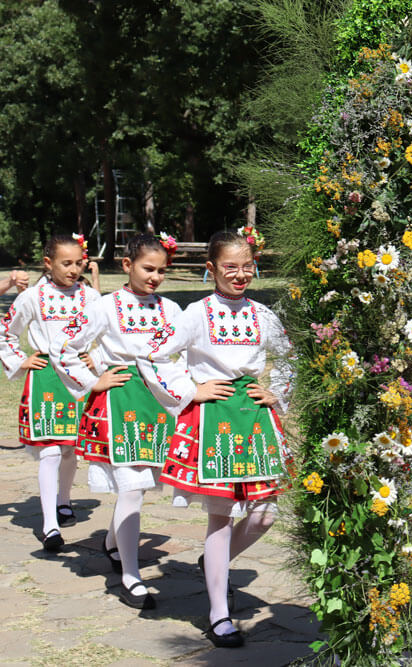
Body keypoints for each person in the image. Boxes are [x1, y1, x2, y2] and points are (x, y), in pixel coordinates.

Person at [159, 229, 293, 648]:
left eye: (247, 266)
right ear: (211, 269)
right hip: (214, 416)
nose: (240, 274)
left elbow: (290, 356)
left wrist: (277, 391)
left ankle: (213, 563)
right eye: (230, 267)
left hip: (254, 417)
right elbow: (156, 354)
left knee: (265, 514)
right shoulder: (196, 313)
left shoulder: (263, 315)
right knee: (221, 516)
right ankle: (219, 614)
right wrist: (189, 390)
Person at [54, 233, 195, 610]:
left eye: (162, 271)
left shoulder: (171, 309)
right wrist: (92, 381)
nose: (156, 277)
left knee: (142, 485)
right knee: (132, 487)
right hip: (122, 401)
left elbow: (187, 350)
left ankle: (112, 542)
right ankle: (131, 576)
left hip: (159, 401)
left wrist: (184, 388)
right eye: (149, 269)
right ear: (127, 265)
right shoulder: (105, 307)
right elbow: (64, 345)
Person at [0, 235, 101, 551]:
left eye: (78, 263)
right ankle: (50, 525)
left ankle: (64, 500)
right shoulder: (32, 296)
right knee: (50, 450)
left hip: (79, 379)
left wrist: (95, 358)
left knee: (70, 448)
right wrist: (20, 360)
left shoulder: (91, 297)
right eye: (66, 263)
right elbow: (6, 331)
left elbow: (108, 333)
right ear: (48, 263)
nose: (74, 269)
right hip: (46, 379)